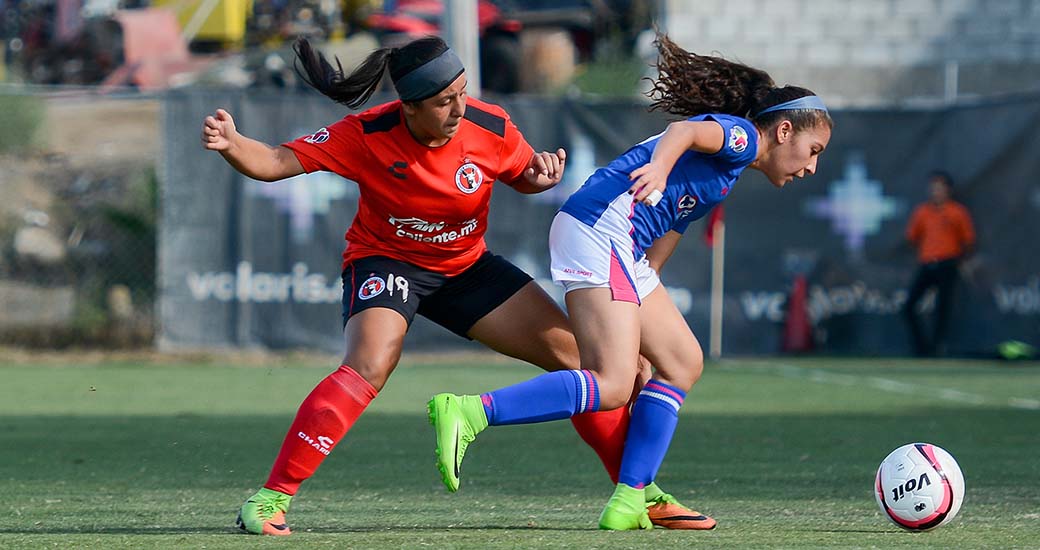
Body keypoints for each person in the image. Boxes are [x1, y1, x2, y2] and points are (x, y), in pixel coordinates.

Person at [201, 35, 696, 536]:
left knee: (585, 367)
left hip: (466, 267)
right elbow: (275, 162)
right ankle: (269, 499)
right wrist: (233, 145)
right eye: (444, 101)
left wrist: (541, 175)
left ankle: (638, 493)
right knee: (370, 364)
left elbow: (523, 174)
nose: (459, 108)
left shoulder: (489, 124)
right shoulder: (368, 133)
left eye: (462, 93)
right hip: (387, 262)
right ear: (410, 107)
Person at [428, 34, 833, 530]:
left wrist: (643, 296)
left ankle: (630, 497)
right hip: (600, 230)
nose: (811, 166)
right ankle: (471, 412)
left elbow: (673, 224)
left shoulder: (731, 168)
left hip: (622, 245)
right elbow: (684, 131)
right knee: (613, 382)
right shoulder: (744, 137)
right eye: (813, 150)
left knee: (681, 362)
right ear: (784, 130)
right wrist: (659, 169)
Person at [902, 171, 975, 357]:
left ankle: (937, 348)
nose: (935, 192)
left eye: (940, 188)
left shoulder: (957, 212)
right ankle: (922, 347)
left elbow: (968, 240)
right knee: (909, 306)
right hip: (927, 263)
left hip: (947, 264)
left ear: (948, 190)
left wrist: (960, 261)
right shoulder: (922, 212)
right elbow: (911, 237)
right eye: (933, 188)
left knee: (943, 308)